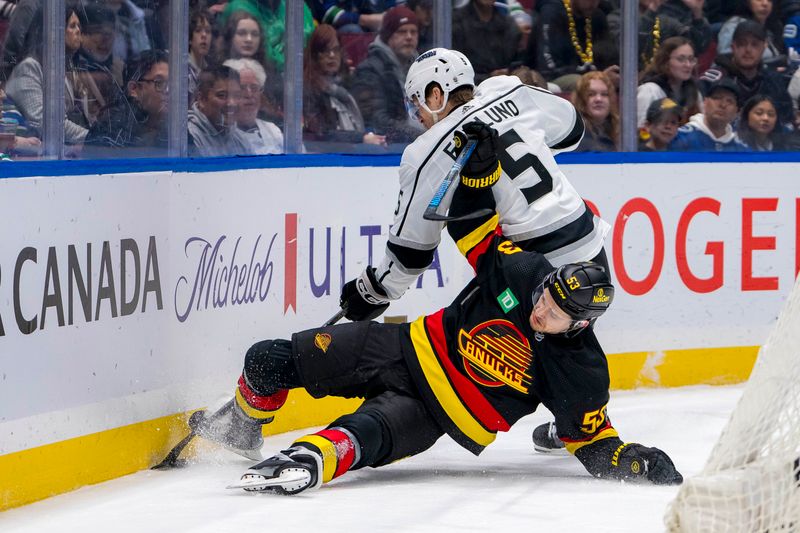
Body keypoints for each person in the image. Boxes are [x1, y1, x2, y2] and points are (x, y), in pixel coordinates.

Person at [191, 138, 682, 494]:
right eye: (545, 297)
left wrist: (630, 460)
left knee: (351, 437)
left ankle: (313, 456)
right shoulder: (525, 273)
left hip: (442, 411)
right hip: (405, 346)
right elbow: (472, 224)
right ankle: (240, 425)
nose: (541, 310)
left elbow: (592, 440)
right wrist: (480, 174)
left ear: (581, 325)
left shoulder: (582, 371)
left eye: (554, 314)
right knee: (267, 360)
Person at [341, 48, 609, 453]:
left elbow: (411, 251)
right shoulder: (507, 91)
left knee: (500, 340)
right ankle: (574, 420)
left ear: (435, 95)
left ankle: (574, 424)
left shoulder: (427, 150)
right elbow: (572, 129)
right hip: (589, 244)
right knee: (568, 336)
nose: (417, 114)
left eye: (418, 102)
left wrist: (373, 290)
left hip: (531, 265)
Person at [4, 1, 89, 147]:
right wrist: (91, 138)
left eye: (79, 26)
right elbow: (46, 123)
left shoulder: (60, 70)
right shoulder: (29, 68)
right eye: (72, 26)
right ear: (54, 31)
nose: (78, 31)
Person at [302, 24, 387, 147]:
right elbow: (321, 135)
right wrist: (361, 138)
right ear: (315, 55)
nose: (332, 55)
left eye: (336, 50)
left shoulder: (349, 84)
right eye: (325, 50)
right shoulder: (309, 90)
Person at [349, 6, 424, 143]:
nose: (409, 37)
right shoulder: (369, 71)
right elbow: (377, 121)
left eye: (413, 32)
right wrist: (421, 137)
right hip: (390, 149)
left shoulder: (422, 67)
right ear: (388, 35)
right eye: (402, 31)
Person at [700, 19, 794, 126]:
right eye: (742, 44)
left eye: (754, 45)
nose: (748, 50)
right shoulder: (714, 79)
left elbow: (787, 120)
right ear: (733, 47)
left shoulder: (774, 80)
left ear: (764, 48)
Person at [83, 49, 169, 156]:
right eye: (159, 83)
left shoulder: (174, 128)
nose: (169, 90)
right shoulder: (110, 130)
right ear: (134, 89)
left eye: (171, 83)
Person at [526, 0, 619, 92]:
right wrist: (598, 77)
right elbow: (548, 68)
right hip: (552, 77)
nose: (593, 4)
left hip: (590, 74)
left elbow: (609, 55)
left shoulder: (597, 16)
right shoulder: (552, 13)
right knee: (587, 84)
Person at [608, 0, 713, 71]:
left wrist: (697, 13)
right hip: (630, 82)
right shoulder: (616, 18)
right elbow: (630, 50)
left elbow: (697, 47)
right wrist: (652, 10)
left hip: (661, 80)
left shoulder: (665, 20)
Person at [188, 65, 255, 157]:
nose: (232, 103)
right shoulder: (189, 137)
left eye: (237, 96)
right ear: (202, 99)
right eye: (222, 95)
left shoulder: (239, 139)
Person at [637, 36, 702, 128]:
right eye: (681, 59)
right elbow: (639, 131)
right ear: (665, 61)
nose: (688, 65)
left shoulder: (695, 92)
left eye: (691, 59)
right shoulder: (649, 91)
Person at [669, 76, 750, 151]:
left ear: (737, 111)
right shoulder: (680, 138)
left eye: (729, 101)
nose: (722, 105)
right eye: (717, 98)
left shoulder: (741, 149)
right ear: (705, 102)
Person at [452, 0, 522, 84]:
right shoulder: (455, 22)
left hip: (506, 88)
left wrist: (509, 73)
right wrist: (487, 78)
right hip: (469, 90)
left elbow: (517, 64)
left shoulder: (509, 26)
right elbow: (454, 71)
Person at [223, 58, 284, 154]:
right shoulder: (224, 134)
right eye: (242, 88)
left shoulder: (272, 130)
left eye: (254, 88)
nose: (249, 94)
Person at [717, 0, 785, 62]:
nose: (765, 3)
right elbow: (725, 59)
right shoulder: (733, 26)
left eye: (769, 0)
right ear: (747, 2)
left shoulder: (772, 29)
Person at [572, 71, 619, 151]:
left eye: (604, 94)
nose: (598, 99)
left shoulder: (620, 131)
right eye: (591, 94)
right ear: (581, 99)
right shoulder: (575, 135)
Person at [189, 9, 213, 104]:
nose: (204, 35)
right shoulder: (180, 69)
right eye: (198, 30)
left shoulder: (211, 69)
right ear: (189, 38)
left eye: (208, 31)